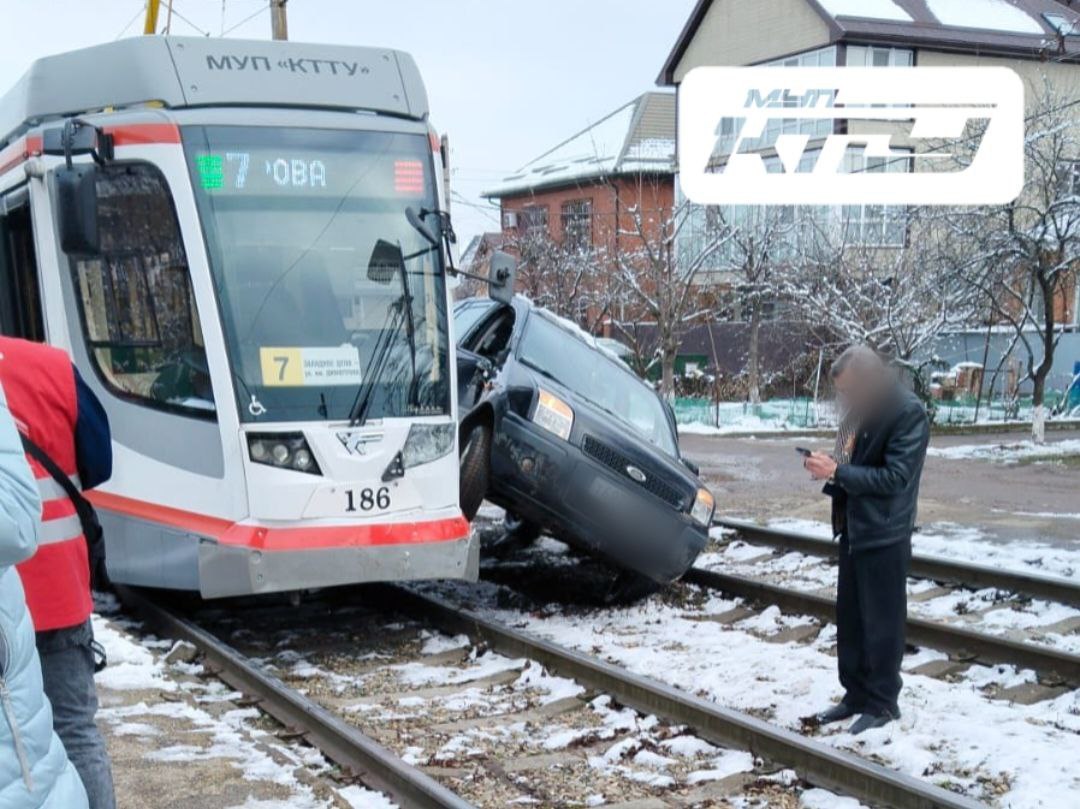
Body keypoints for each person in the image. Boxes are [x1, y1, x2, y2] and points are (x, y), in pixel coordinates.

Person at [0, 337, 115, 809]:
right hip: (59, 592)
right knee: (76, 733)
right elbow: (99, 461)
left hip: (11, 606)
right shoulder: (50, 366)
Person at [803, 345, 930, 735]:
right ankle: (855, 694)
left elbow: (895, 478)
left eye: (850, 391)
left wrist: (837, 471)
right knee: (853, 619)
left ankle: (883, 703)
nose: (846, 399)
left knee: (882, 621)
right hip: (853, 527)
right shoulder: (857, 409)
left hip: (885, 531)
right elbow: (844, 460)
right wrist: (825, 466)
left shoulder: (908, 412)